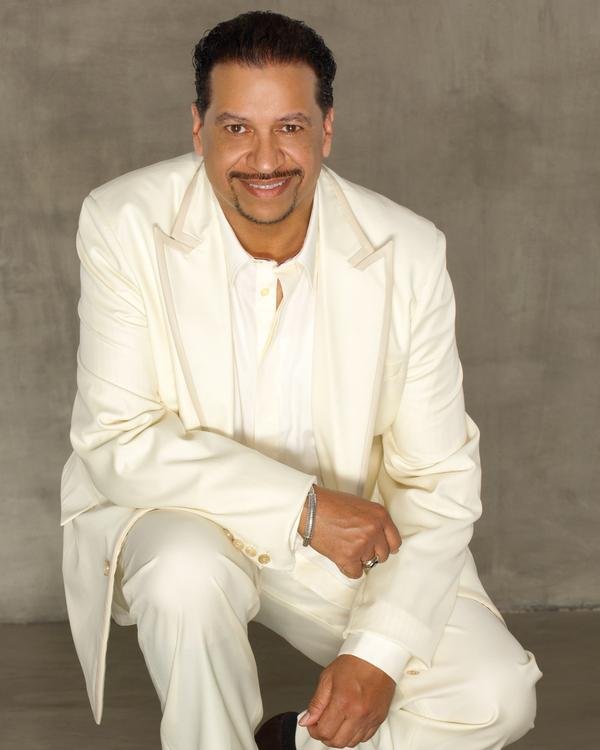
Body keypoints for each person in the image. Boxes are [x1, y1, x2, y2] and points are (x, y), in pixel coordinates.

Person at [60, 10, 543, 750]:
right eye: (236, 128)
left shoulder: (409, 250)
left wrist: (376, 651)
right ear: (198, 129)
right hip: (177, 513)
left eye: (289, 127)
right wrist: (304, 507)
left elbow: (437, 479)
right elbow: (118, 440)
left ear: (327, 131)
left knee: (493, 695)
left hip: (341, 540)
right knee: (184, 574)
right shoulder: (122, 220)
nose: (264, 159)